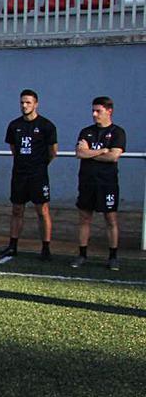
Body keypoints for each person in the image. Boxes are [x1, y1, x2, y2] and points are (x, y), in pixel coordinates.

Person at [1, 90, 57, 261]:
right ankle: (13, 245)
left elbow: (52, 151)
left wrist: (40, 165)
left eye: (28, 103)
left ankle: (46, 248)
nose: (24, 106)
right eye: (22, 103)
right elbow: (13, 148)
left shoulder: (47, 126)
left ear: (36, 104)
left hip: (38, 175)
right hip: (19, 174)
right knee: (17, 209)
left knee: (42, 210)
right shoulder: (14, 125)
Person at [71, 96, 125, 271]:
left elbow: (113, 156)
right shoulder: (86, 131)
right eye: (93, 111)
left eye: (98, 111)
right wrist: (102, 150)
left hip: (107, 182)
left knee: (110, 218)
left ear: (109, 111)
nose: (94, 114)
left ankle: (113, 256)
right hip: (87, 181)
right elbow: (80, 153)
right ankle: (82, 254)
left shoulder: (117, 132)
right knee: (85, 217)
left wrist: (90, 152)